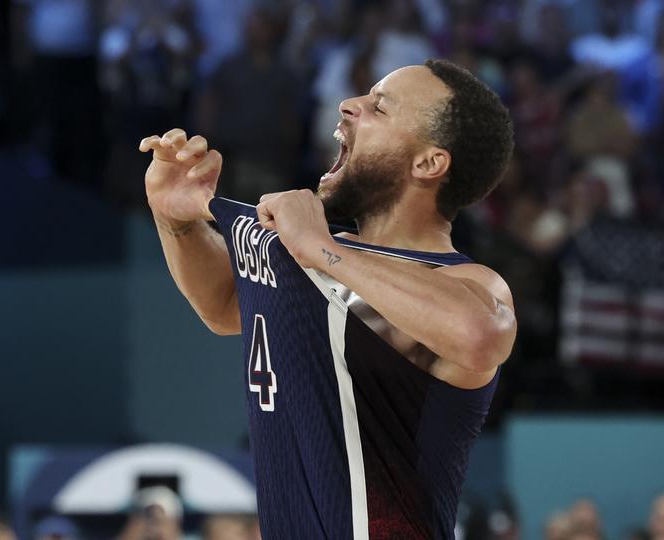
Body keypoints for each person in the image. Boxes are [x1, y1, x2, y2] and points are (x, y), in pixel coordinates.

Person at [139, 59, 516, 539]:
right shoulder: (308, 254)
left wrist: (322, 248)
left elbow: (480, 334)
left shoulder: (461, 281)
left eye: (379, 107)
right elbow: (225, 306)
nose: (349, 104)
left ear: (428, 163)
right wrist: (180, 220)